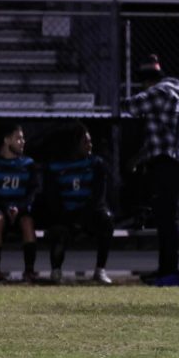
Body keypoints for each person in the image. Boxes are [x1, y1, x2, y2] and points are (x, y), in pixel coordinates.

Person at [121, 55, 179, 284]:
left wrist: (115, 100)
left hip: (169, 161)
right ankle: (166, 268)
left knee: (168, 218)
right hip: (169, 158)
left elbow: (132, 105)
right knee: (164, 217)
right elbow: (157, 138)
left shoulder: (161, 92)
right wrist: (138, 158)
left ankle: (170, 270)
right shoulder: (170, 93)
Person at [41, 122, 113, 284]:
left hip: (88, 214)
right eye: (85, 142)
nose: (90, 145)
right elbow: (52, 198)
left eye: (90, 141)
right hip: (66, 215)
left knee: (106, 220)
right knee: (58, 230)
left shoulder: (96, 164)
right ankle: (56, 271)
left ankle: (100, 270)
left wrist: (82, 218)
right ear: (74, 144)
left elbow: (98, 197)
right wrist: (67, 218)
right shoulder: (55, 167)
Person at [0, 122, 39, 282]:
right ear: (7, 140)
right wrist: (6, 207)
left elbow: (32, 192)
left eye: (23, 138)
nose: (23, 142)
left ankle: (29, 271)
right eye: (18, 138)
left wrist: (19, 207)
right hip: (0, 210)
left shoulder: (28, 164)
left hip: (20, 210)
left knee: (27, 222)